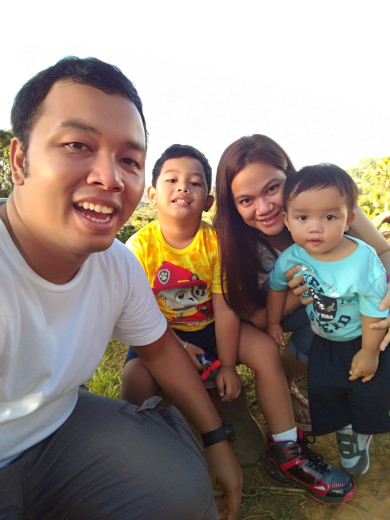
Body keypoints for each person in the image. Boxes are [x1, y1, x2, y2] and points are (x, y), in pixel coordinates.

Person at [0, 56, 243, 520]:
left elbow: (160, 349)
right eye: (77, 145)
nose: (109, 177)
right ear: (19, 159)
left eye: (128, 159)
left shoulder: (117, 264)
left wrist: (215, 438)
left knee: (179, 488)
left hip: (57, 426)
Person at [121, 144, 357, 504]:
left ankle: (286, 452)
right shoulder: (137, 249)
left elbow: (225, 308)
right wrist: (181, 349)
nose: (183, 187)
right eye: (172, 179)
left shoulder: (216, 243)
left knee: (263, 350)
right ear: (151, 193)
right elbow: (135, 317)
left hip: (213, 328)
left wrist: (228, 364)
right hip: (161, 335)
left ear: (209, 202)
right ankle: (145, 454)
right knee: (134, 379)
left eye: (195, 182)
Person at [214, 134, 390, 432]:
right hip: (282, 312)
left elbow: (384, 251)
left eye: (272, 188)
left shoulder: (332, 203)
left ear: (291, 178)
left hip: (344, 299)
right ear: (233, 206)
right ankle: (285, 378)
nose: (264, 207)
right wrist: (296, 295)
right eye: (246, 200)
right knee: (322, 315)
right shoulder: (233, 246)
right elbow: (253, 320)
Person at [266, 163, 390, 476]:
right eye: (303, 217)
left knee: (366, 389)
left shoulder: (362, 260)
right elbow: (276, 287)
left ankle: (362, 431)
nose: (315, 228)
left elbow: (374, 310)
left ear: (349, 220)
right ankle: (346, 431)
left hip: (362, 338)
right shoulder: (293, 256)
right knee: (326, 389)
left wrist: (370, 351)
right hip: (324, 340)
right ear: (288, 220)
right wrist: (272, 323)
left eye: (329, 217)